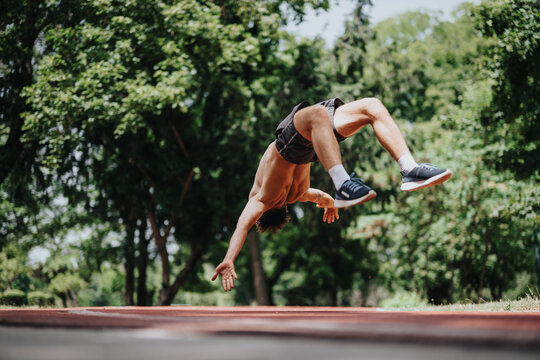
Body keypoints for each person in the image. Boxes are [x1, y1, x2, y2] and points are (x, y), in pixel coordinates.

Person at [211, 97, 452, 292]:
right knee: (362, 108)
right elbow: (322, 198)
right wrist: (331, 204)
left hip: (301, 141)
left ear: (277, 211)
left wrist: (230, 258)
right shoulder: (295, 194)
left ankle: (409, 170)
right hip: (305, 140)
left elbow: (242, 226)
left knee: (368, 107)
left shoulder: (266, 199)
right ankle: (352, 181)